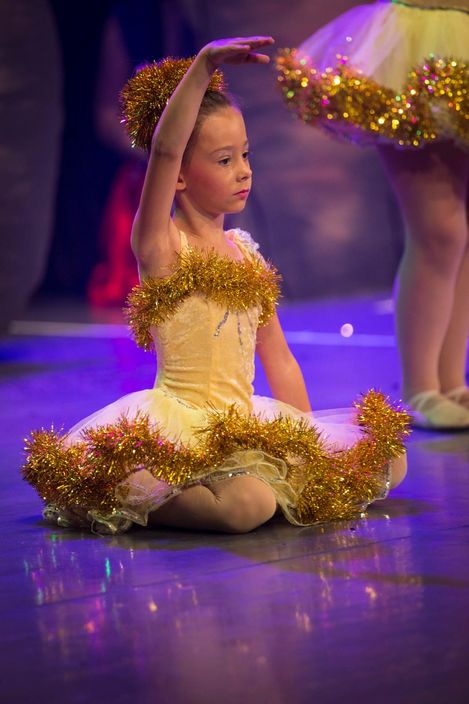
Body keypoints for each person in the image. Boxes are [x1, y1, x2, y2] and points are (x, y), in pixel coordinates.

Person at [23, 37, 408, 536]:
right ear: (179, 177)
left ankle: (256, 484)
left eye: (245, 154)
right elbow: (165, 150)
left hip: (245, 421)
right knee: (247, 506)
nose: (243, 170)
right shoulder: (162, 247)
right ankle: (137, 489)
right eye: (224, 160)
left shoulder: (245, 253)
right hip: (184, 428)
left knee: (389, 461)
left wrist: (308, 448)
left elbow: (279, 359)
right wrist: (203, 67)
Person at [276, 0, 469, 430]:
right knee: (440, 229)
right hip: (421, 35)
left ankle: (452, 381)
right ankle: (422, 386)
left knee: (461, 231)